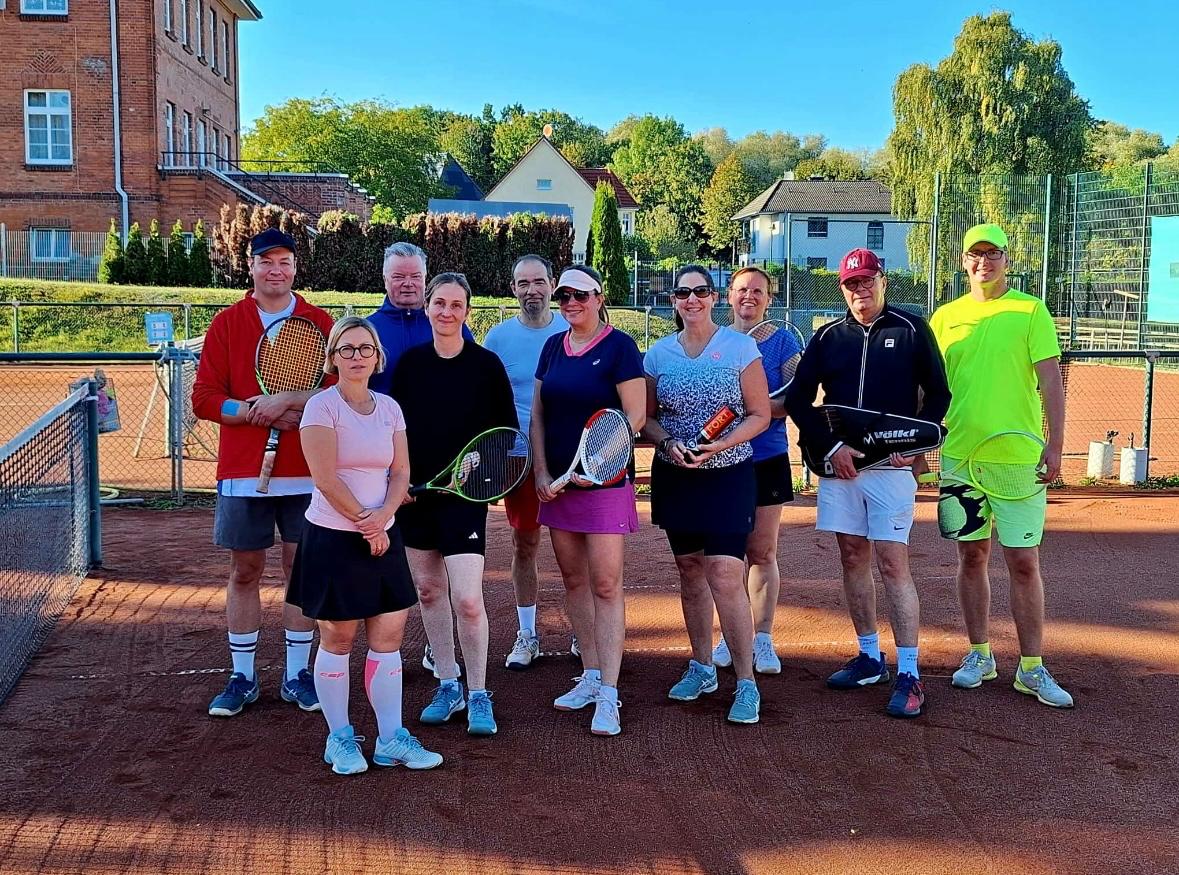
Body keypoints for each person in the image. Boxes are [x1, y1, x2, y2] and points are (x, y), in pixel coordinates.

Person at [784, 248, 951, 719]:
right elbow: (798, 400)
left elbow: (939, 395)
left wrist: (914, 442)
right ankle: (869, 657)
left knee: (893, 564)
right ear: (843, 289)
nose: (860, 290)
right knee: (852, 556)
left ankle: (910, 673)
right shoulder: (827, 337)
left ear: (883, 282)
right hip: (842, 469)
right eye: (851, 284)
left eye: (867, 281)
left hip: (891, 470)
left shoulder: (912, 328)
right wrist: (832, 448)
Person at [287, 316, 442, 775]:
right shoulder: (321, 407)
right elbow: (325, 478)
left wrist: (383, 518)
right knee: (338, 637)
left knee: (389, 636)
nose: (357, 357)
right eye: (347, 349)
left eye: (365, 348)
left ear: (377, 356)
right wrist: (367, 524)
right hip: (334, 537)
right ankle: (339, 738)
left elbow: (400, 472)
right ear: (333, 358)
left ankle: (391, 738)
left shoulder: (390, 408)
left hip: (383, 535)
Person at [193, 228, 335, 718]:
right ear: (250, 266)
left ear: (295, 268)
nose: (276, 270)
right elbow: (205, 398)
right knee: (245, 570)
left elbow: (338, 389)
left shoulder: (319, 322)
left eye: (285, 261)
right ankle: (243, 676)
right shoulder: (227, 323)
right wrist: (255, 411)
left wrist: (289, 401)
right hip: (242, 473)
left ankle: (298, 675)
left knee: (300, 569)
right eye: (266, 261)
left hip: (307, 472)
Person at [929, 224, 1073, 709]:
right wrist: (922, 446)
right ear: (963, 261)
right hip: (960, 461)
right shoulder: (945, 317)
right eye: (976, 253)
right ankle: (980, 654)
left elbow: (1051, 382)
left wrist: (1055, 446)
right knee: (970, 557)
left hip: (1018, 464)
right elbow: (929, 389)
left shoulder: (1031, 310)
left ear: (1007, 260)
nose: (984, 262)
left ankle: (1031, 667)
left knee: (1023, 562)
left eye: (993, 253)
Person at [641, 265, 771, 725]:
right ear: (674, 300)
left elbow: (759, 414)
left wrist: (720, 445)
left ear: (714, 297)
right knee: (690, 570)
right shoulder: (658, 354)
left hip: (728, 476)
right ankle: (701, 667)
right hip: (677, 476)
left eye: (700, 291)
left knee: (724, 573)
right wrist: (666, 443)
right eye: (683, 292)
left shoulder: (740, 348)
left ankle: (746, 682)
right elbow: (647, 417)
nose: (691, 299)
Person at [391, 272, 518, 737]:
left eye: (456, 305)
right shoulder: (410, 365)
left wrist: (480, 462)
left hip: (464, 500)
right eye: (439, 303)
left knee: (466, 598)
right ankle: (448, 684)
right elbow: (394, 431)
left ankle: (479, 692)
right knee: (428, 592)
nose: (447, 312)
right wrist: (399, 483)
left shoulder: (486, 365)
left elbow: (507, 435)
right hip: (415, 497)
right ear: (427, 308)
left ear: (467, 311)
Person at [532, 265, 646, 736]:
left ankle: (609, 693)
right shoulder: (552, 347)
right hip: (558, 486)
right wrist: (542, 471)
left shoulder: (620, 347)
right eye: (564, 295)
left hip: (604, 486)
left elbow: (633, 416)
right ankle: (592, 674)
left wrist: (595, 464)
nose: (571, 303)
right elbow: (538, 416)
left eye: (581, 295)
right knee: (574, 581)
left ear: (599, 298)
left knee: (605, 584)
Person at [366, 240, 473, 678]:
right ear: (384, 279)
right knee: (387, 565)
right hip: (384, 472)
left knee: (444, 575)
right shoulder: (370, 331)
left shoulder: (451, 327)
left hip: (443, 475)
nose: (407, 284)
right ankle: (381, 653)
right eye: (399, 276)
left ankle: (439, 651)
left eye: (415, 276)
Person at [711, 266, 800, 675]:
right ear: (729, 295)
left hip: (766, 458)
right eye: (742, 289)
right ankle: (731, 636)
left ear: (769, 299)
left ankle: (762, 638)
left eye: (758, 291)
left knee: (762, 551)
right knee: (725, 556)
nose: (749, 296)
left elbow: (791, 400)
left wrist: (752, 410)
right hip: (721, 462)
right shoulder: (715, 340)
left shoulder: (784, 343)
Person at [482, 255, 569, 670]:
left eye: (538, 281)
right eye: (523, 283)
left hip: (569, 459)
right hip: (518, 460)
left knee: (577, 550)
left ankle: (583, 632)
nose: (531, 290)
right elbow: (485, 402)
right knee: (525, 544)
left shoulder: (572, 329)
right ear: (513, 289)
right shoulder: (498, 338)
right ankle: (527, 634)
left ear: (552, 284)